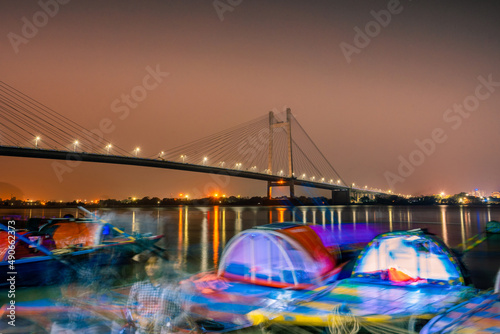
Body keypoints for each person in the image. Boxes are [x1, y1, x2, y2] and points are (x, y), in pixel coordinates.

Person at [127, 252, 192, 334]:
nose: (150, 267)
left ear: (163, 266)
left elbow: (183, 313)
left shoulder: (173, 288)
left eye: (155, 264)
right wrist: (139, 319)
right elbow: (129, 311)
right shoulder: (137, 287)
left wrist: (168, 325)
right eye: (148, 264)